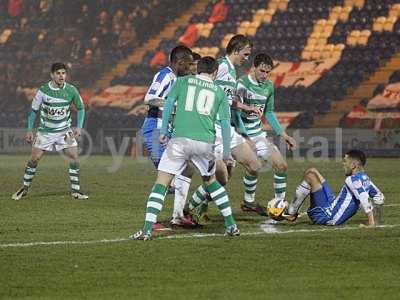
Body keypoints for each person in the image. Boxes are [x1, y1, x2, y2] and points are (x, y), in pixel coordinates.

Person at [131, 57, 239, 240]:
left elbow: (168, 105)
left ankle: (147, 230)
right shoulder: (219, 92)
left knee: (161, 183)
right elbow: (226, 123)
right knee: (212, 182)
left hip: (179, 140)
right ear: (214, 73)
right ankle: (231, 225)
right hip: (205, 142)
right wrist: (227, 152)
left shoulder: (182, 81)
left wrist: (164, 131)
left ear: (198, 70)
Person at [188, 35, 265, 218]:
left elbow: (227, 100)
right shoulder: (220, 66)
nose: (247, 58)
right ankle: (188, 209)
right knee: (221, 179)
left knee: (254, 165)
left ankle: (205, 203)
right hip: (212, 130)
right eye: (245, 54)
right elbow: (201, 86)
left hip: (227, 129)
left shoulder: (232, 71)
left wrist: (247, 107)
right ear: (236, 50)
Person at [12, 62, 88, 200]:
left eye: (63, 73)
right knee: (34, 159)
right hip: (45, 131)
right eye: (58, 73)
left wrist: (79, 126)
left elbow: (81, 108)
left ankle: (76, 191)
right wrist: (29, 129)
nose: (61, 76)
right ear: (52, 75)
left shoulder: (71, 90)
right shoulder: (43, 91)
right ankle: (24, 189)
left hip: (64, 130)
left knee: (74, 157)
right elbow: (34, 110)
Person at [141, 45, 195, 227]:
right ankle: (155, 220)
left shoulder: (177, 79)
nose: (189, 69)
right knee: (168, 175)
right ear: (179, 63)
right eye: (187, 65)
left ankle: (177, 216)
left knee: (183, 170)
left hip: (165, 132)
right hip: (154, 130)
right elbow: (148, 98)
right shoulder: (165, 75)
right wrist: (172, 104)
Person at [236, 53, 296, 210]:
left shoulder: (269, 86)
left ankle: (279, 206)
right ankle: (199, 206)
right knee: (225, 174)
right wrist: (244, 136)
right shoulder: (242, 83)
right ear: (254, 68)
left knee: (281, 165)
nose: (265, 75)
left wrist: (283, 135)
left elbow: (269, 112)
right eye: (262, 71)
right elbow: (235, 112)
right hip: (238, 135)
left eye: (268, 72)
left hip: (257, 134)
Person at [281, 150, 384, 226]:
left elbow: (363, 197)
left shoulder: (351, 180)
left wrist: (371, 223)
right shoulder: (365, 178)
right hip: (332, 204)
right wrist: (377, 219)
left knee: (310, 176)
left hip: (326, 215)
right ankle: (292, 212)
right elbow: (379, 196)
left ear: (353, 165)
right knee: (312, 170)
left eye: (345, 161)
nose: (343, 164)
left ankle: (291, 213)